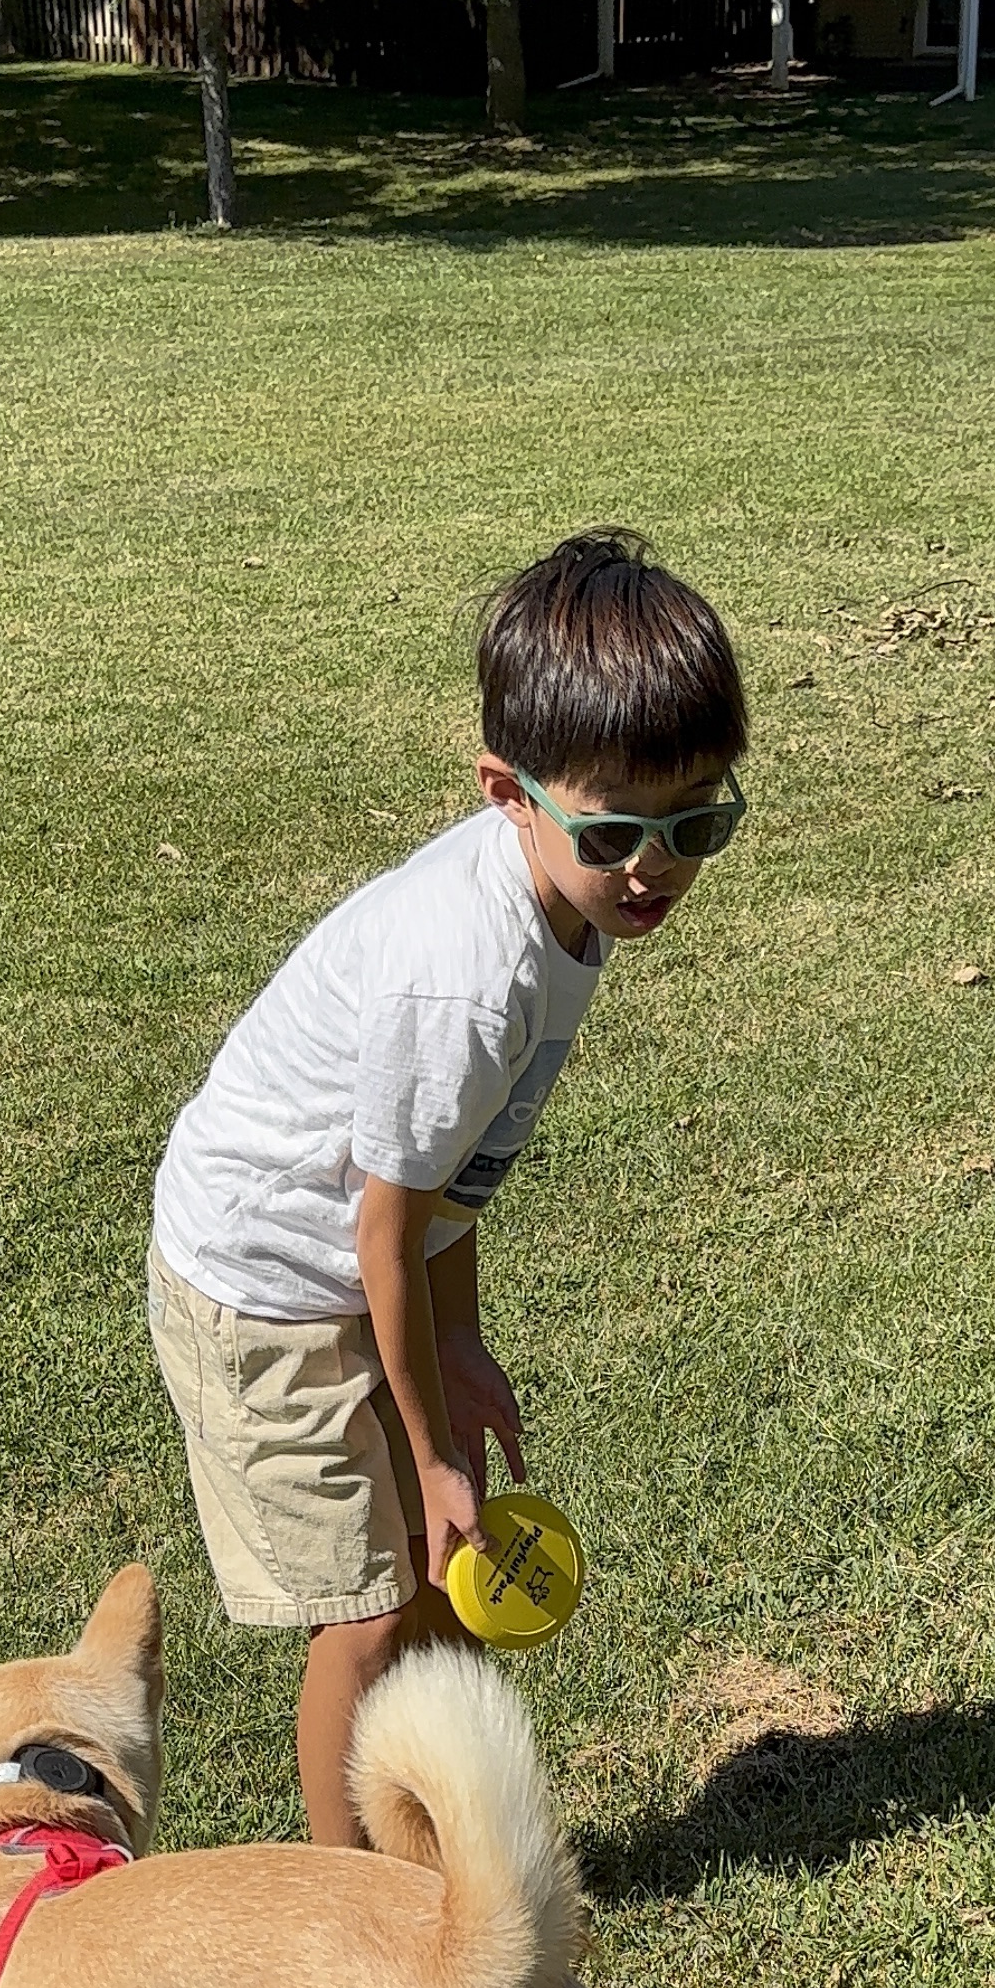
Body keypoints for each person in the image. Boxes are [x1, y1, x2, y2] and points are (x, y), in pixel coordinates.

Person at [147, 529, 749, 1846]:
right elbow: (385, 1225)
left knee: (437, 1582)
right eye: (618, 830)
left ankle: (435, 1858)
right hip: (262, 1286)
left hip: (355, 1256)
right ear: (506, 792)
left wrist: (459, 1344)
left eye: (699, 822)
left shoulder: (570, 901)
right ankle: (349, 1909)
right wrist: (426, 1454)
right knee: (366, 1619)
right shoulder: (467, 980)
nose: (655, 867)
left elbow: (447, 1181)